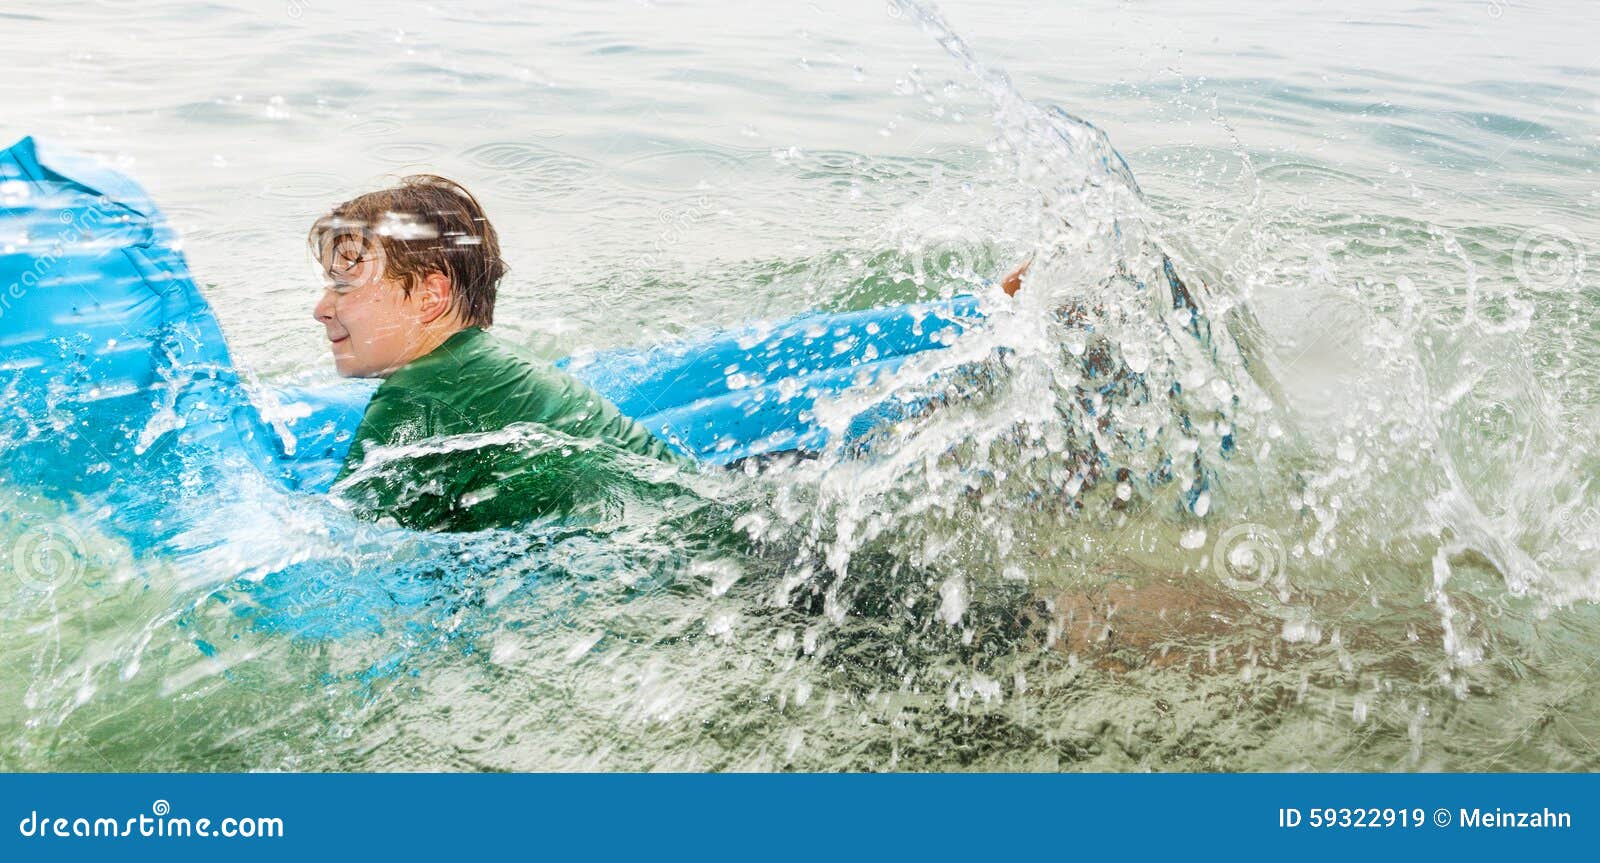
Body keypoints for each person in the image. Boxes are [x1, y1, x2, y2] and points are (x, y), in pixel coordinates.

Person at [312, 174, 1031, 531]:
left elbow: (342, 543)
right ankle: (1007, 316)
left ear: (430, 294)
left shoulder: (421, 397)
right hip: (722, 497)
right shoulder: (482, 365)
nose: (324, 307)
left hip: (704, 548)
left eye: (347, 283)